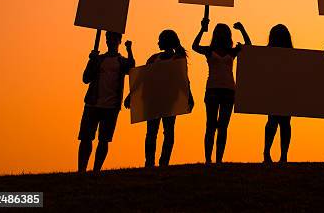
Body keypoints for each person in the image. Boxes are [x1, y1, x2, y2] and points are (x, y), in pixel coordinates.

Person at [124, 30, 194, 167]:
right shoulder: (153, 58)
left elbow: (184, 79)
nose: (158, 42)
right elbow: (142, 78)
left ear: (166, 41)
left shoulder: (178, 59)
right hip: (152, 101)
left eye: (160, 40)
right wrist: (130, 95)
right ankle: (149, 162)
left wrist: (189, 97)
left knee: (168, 131)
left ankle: (164, 162)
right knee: (151, 132)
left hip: (169, 100)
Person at [193, 19, 251, 163]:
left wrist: (243, 29)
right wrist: (201, 29)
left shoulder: (232, 51)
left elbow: (249, 47)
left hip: (228, 90)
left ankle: (218, 159)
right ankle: (208, 159)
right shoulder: (209, 50)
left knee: (222, 126)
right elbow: (194, 46)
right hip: (213, 89)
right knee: (211, 125)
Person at [78, 31, 134, 172]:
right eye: (108, 38)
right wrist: (91, 60)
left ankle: (97, 170)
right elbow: (86, 78)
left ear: (118, 41)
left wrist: (129, 50)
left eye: (113, 39)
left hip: (111, 106)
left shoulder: (121, 61)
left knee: (104, 139)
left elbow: (131, 68)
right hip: (92, 103)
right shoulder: (98, 59)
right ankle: (81, 170)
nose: (110, 41)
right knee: (86, 138)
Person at [263, 24, 294, 163]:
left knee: (282, 122)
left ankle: (282, 155)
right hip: (274, 90)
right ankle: (269, 153)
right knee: (275, 121)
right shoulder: (268, 53)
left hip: (285, 91)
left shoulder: (293, 55)